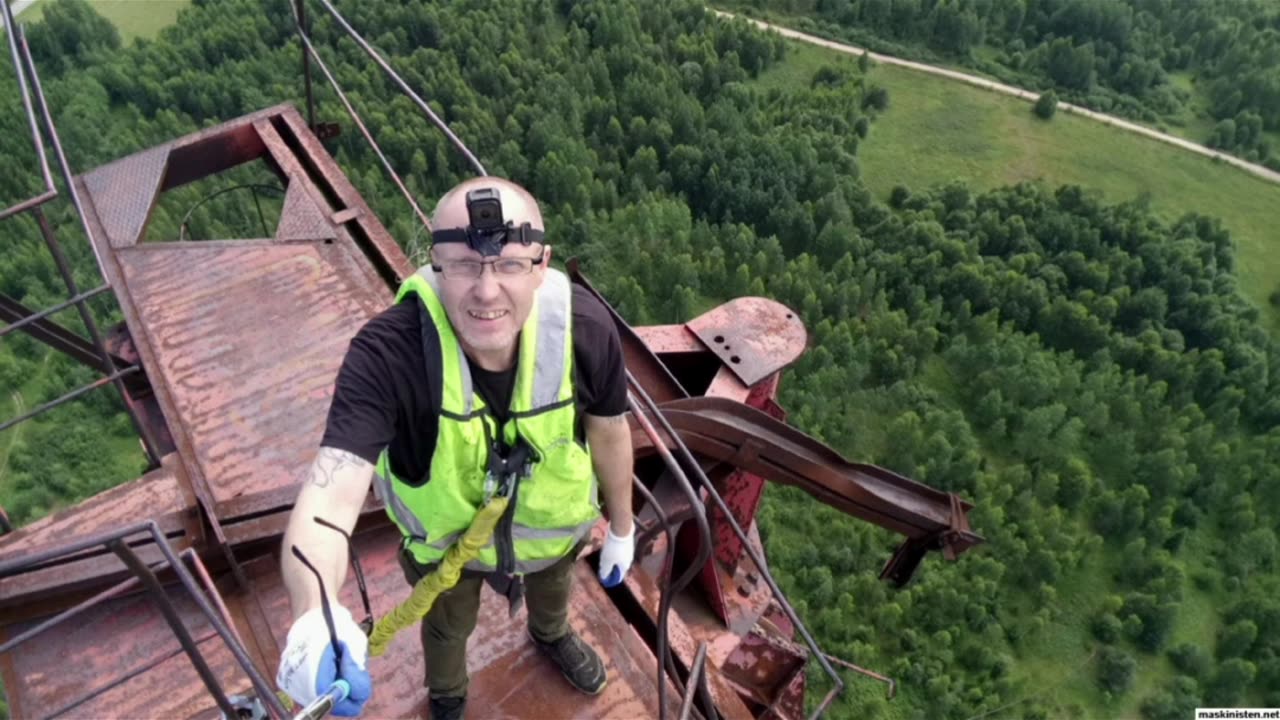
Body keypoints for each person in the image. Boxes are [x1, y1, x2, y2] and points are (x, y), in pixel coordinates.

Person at [275, 176, 636, 719]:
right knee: (446, 627)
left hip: (552, 532)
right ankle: (447, 693)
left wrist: (624, 529)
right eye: (464, 264)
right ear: (435, 263)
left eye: (510, 264)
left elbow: (609, 430)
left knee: (553, 596)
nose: (486, 291)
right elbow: (328, 500)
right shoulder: (388, 355)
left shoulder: (584, 330)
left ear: (542, 265)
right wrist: (315, 615)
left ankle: (551, 635)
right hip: (447, 554)